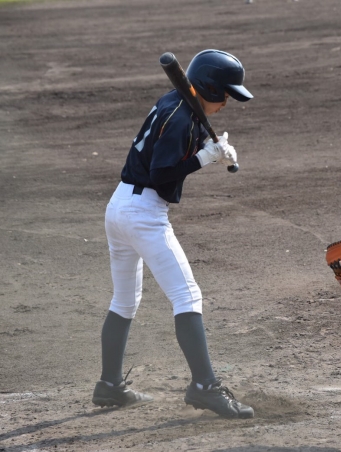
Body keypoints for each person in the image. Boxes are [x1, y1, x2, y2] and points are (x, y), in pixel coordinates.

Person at [91, 49, 254, 419]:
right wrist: (204, 158)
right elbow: (162, 173)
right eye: (226, 94)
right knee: (187, 296)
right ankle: (205, 387)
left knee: (124, 301)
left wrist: (206, 147)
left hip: (119, 207)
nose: (227, 102)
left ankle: (109, 384)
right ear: (211, 89)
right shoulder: (182, 116)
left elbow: (165, 151)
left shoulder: (177, 104)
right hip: (143, 214)